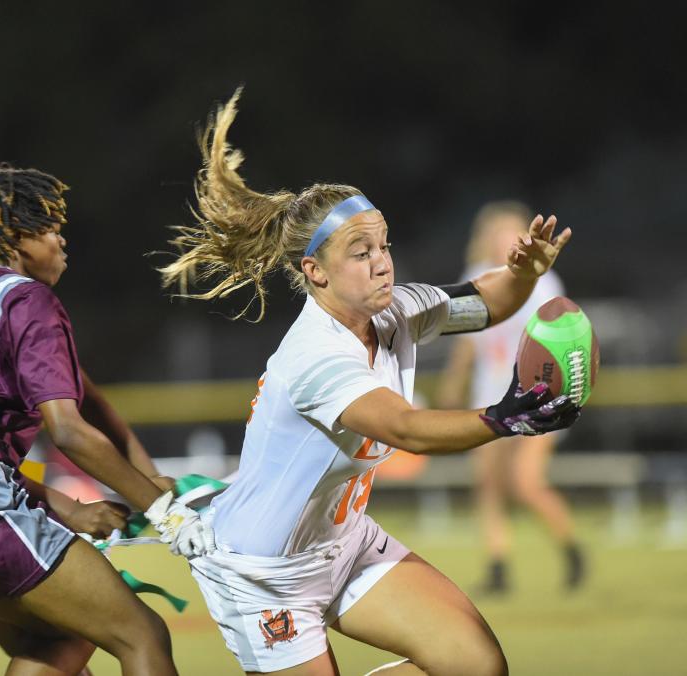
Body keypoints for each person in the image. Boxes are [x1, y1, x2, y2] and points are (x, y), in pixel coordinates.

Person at [159, 89, 580, 676]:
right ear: (315, 271)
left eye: (384, 245)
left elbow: (485, 302)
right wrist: (503, 417)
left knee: (474, 664)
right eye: (361, 252)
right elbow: (405, 427)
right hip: (264, 575)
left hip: (346, 543)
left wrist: (523, 272)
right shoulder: (314, 355)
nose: (383, 262)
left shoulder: (395, 310)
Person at [0, 164, 212, 676]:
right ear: (14, 237)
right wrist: (166, 510)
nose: (62, 240)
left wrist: (70, 511)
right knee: (141, 634)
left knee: (63, 640)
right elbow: (70, 431)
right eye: (51, 227)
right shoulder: (23, 297)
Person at [437, 201, 584, 594]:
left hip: (536, 395)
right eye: (496, 233)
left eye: (509, 232)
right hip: (490, 395)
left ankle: (572, 550)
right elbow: (470, 337)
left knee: (525, 482)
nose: (503, 240)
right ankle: (498, 566)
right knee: (488, 483)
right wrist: (455, 380)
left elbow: (561, 340)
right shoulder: (476, 277)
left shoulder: (543, 281)